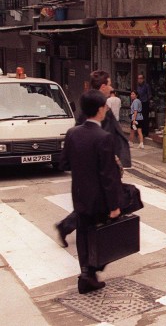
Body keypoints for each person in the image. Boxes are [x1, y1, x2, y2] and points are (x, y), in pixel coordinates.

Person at [55, 70, 131, 248]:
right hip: (99, 165)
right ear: (103, 86)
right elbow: (86, 138)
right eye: (110, 84)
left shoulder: (98, 104)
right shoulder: (93, 109)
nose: (112, 87)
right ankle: (71, 229)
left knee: (94, 203)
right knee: (98, 202)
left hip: (104, 162)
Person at [60, 89, 123, 294]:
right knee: (99, 235)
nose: (106, 109)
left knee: (83, 233)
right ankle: (90, 273)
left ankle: (86, 274)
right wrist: (114, 206)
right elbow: (108, 177)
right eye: (104, 106)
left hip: (79, 193)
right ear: (98, 110)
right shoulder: (103, 137)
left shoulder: (72, 133)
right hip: (99, 197)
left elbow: (64, 163)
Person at [136, 73, 152, 138]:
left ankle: (145, 132)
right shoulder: (138, 86)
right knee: (139, 118)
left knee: (145, 117)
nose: (139, 80)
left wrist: (149, 101)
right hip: (139, 103)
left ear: (143, 79)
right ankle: (140, 132)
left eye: (141, 78)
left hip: (145, 103)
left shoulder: (146, 86)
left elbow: (149, 94)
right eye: (138, 78)